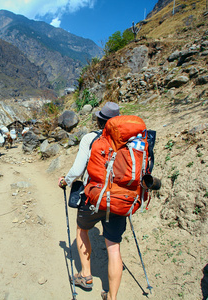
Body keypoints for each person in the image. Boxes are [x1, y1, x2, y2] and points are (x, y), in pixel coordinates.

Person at [58, 101, 125, 300]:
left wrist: (66, 180)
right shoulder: (127, 140)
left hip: (94, 197)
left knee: (82, 229)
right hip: (119, 198)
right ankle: (112, 297)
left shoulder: (91, 138)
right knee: (113, 246)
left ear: (99, 120)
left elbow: (78, 169)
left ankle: (86, 275)